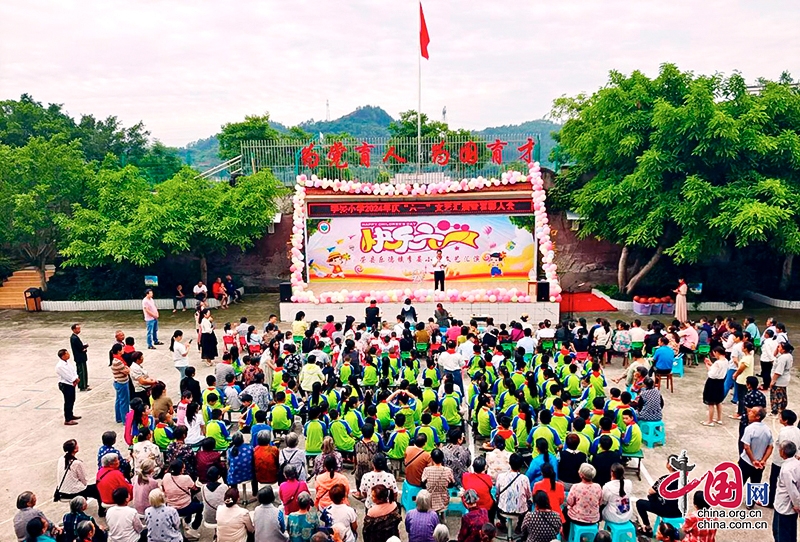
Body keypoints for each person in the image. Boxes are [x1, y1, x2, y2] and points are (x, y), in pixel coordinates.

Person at [635, 457, 682, 537]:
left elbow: (651, 491)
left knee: (640, 503)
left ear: (669, 465)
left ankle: (647, 527)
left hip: (665, 509)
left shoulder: (665, 479)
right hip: (679, 511)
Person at [161, 459, 202, 533]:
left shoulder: (166, 476)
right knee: (201, 506)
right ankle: (194, 525)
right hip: (184, 507)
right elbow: (195, 488)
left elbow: (163, 488)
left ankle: (187, 521)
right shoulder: (186, 478)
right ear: (180, 470)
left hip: (170, 506)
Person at [772, 440, 800, 542]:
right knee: (790, 532)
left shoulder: (787, 469)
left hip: (784, 508)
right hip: (787, 508)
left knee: (782, 534)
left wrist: (797, 505)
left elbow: (792, 491)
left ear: (783, 452)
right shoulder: (797, 463)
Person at [496, 453, 531, 532]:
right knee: (528, 503)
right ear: (521, 465)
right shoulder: (524, 479)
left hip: (502, 510)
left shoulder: (501, 476)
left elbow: (497, 492)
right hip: (520, 512)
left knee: (497, 500)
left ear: (509, 463)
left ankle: (503, 523)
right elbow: (529, 495)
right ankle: (519, 526)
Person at [740, 406, 774, 486]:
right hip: (760, 463)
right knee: (756, 485)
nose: (749, 413)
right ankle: (754, 499)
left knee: (738, 484)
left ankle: (733, 498)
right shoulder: (767, 429)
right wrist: (763, 460)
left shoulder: (750, 428)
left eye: (752, 412)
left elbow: (746, 447)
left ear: (757, 417)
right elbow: (770, 447)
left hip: (746, 461)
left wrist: (753, 460)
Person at [701, 346, 727, 426]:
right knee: (718, 401)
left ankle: (710, 421)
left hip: (713, 382)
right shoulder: (725, 361)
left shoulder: (717, 363)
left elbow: (712, 374)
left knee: (711, 402)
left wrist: (707, 365)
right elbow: (717, 369)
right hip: (720, 382)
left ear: (717, 352)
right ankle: (719, 419)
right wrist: (711, 364)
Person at [56, 349, 81, 426]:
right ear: (63, 356)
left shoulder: (67, 362)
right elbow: (66, 375)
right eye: (66, 354)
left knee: (72, 399)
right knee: (68, 401)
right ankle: (67, 419)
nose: (68, 355)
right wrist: (74, 379)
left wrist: (76, 377)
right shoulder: (60, 366)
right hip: (66, 384)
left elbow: (73, 371)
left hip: (71, 383)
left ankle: (71, 415)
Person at [771, 341, 794, 416]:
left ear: (784, 349)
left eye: (779, 347)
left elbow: (778, 371)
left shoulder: (783, 358)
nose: (778, 348)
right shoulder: (788, 355)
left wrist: (773, 381)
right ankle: (779, 410)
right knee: (782, 395)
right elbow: (774, 355)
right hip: (784, 379)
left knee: (778, 396)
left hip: (779, 380)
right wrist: (777, 348)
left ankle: (778, 411)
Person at [70, 323, 91, 392]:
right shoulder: (74, 338)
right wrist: (84, 347)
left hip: (79, 357)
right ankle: (83, 385)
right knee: (82, 372)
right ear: (74, 329)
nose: (79, 330)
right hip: (80, 357)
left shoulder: (75, 337)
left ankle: (83, 384)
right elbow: (80, 347)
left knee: (81, 371)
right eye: (77, 329)